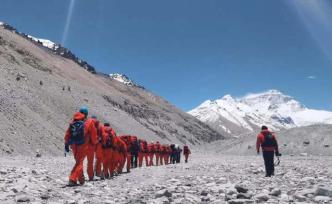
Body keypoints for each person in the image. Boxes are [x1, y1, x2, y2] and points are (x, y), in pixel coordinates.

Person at [64, 107, 97, 186]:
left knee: (78, 162)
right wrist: (94, 143)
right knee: (79, 162)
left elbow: (68, 133)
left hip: (73, 145)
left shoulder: (73, 121)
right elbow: (93, 135)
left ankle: (81, 179)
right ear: (86, 114)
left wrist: (66, 144)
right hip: (82, 145)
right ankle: (72, 179)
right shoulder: (89, 122)